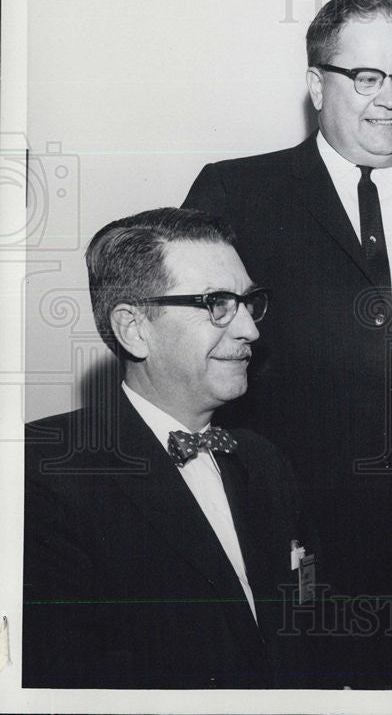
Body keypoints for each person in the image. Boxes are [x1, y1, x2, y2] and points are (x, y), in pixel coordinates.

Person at [183, 0, 392, 688]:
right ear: (314, 84)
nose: (388, 97)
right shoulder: (238, 194)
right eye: (365, 77)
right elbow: (195, 367)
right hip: (288, 540)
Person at [23, 208, 313, 689]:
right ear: (134, 328)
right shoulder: (45, 472)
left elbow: (301, 637)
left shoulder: (264, 461)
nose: (250, 330)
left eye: (248, 302)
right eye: (218, 303)